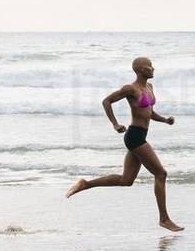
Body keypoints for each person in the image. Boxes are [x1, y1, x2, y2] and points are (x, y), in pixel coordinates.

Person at [65, 57, 184, 232]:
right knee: (161, 173)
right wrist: (115, 124)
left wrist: (165, 120)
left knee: (126, 180)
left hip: (140, 135)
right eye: (148, 66)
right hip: (134, 136)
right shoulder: (130, 89)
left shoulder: (149, 87)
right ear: (139, 70)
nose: (153, 68)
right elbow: (106, 101)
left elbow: (148, 112)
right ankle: (164, 219)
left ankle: (86, 184)